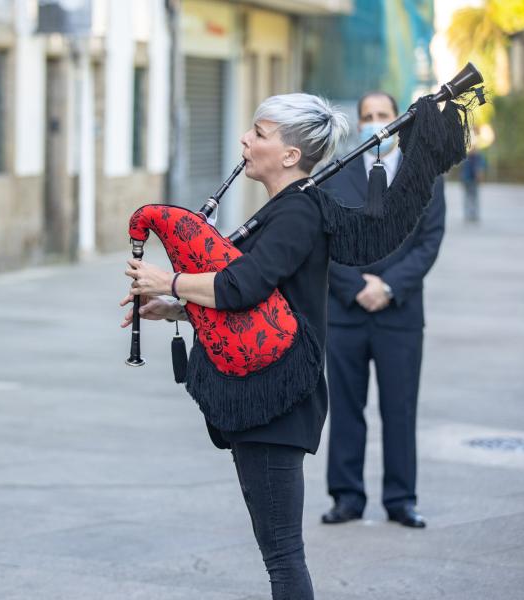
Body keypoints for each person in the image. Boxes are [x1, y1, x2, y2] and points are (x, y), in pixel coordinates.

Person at [121, 93, 350, 599]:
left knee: (283, 557)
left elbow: (240, 285)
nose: (245, 140)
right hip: (268, 398)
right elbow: (261, 303)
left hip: (279, 402)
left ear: (290, 154)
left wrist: (169, 280)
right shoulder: (283, 209)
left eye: (260, 133)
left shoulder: (299, 212)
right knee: (280, 552)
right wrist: (177, 309)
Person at [320, 91, 445, 529]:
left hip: (400, 314)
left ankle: (400, 499)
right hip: (346, 311)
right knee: (346, 408)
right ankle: (347, 497)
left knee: (399, 408)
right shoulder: (334, 177)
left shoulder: (423, 174)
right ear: (358, 125)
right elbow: (325, 242)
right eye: (368, 117)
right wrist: (357, 287)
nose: (376, 123)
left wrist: (388, 286)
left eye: (383, 116)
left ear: (400, 120)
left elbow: (429, 242)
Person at [461, 145, 485, 223]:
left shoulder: (475, 157)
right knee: (469, 198)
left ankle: (473, 214)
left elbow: (481, 167)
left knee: (472, 198)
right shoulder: (470, 157)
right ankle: (469, 214)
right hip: (468, 180)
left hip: (472, 180)